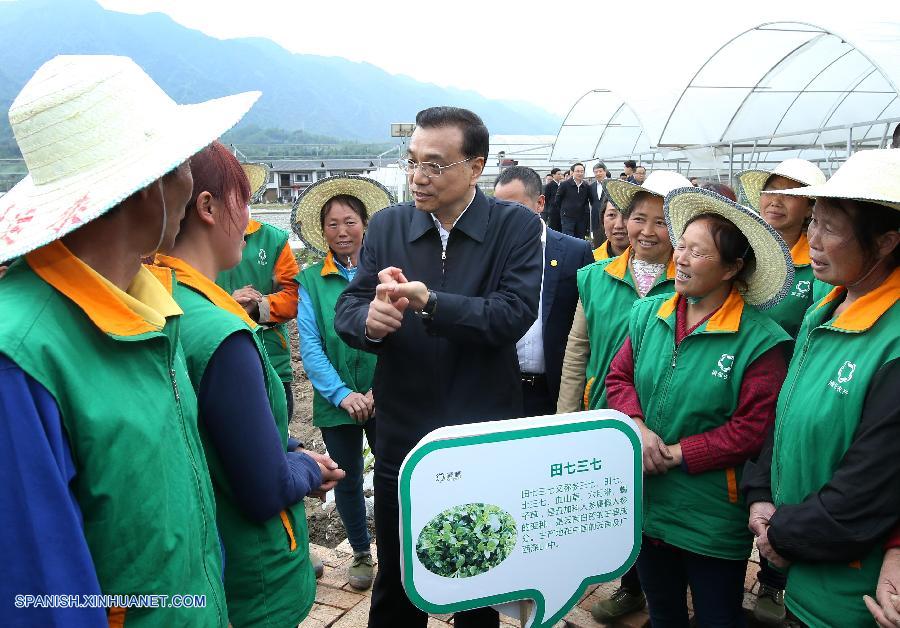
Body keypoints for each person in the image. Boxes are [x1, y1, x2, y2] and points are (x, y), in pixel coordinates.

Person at [0, 55, 258, 627]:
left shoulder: (147, 308)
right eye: (183, 166)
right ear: (152, 188)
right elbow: (41, 596)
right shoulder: (21, 356)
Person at [334, 106, 542, 628]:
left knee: (478, 574)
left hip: (481, 432)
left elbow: (511, 316)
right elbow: (349, 307)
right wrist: (372, 320)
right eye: (412, 163)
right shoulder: (388, 224)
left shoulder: (514, 226)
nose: (418, 177)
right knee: (399, 578)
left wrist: (430, 303)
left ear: (475, 167)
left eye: (434, 165)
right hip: (402, 429)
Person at [155, 141, 344, 627]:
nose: (250, 215)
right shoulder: (222, 331)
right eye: (243, 198)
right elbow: (264, 489)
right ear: (207, 206)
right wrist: (302, 465)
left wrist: (280, 443)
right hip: (253, 575)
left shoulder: (158, 298)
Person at [609, 186, 792, 627]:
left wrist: (674, 454)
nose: (684, 259)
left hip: (710, 510)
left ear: (733, 267)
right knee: (664, 610)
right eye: (683, 247)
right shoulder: (649, 314)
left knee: (716, 615)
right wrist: (636, 424)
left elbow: (751, 429)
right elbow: (619, 378)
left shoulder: (761, 341)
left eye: (699, 252)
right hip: (647, 501)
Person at [742, 149, 900, 628]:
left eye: (830, 228)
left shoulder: (892, 344)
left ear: (887, 240)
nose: (811, 239)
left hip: (852, 598)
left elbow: (868, 487)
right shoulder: (823, 311)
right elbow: (784, 415)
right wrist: (761, 493)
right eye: (814, 221)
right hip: (803, 575)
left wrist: (780, 536)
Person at [556, 170, 689, 623]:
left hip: (666, 420)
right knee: (614, 500)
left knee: (657, 506)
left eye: (662, 221)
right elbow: (578, 347)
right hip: (605, 413)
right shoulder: (595, 276)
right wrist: (566, 414)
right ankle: (626, 582)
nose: (647, 231)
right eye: (639, 218)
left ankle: (656, 589)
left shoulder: (691, 279)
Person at [294, 175, 395, 591]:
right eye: (332, 224)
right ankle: (360, 551)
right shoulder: (310, 282)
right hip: (335, 401)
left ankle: (397, 552)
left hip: (385, 394)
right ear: (323, 231)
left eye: (350, 221)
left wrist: (376, 390)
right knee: (348, 477)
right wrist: (342, 394)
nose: (342, 231)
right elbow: (311, 345)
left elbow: (402, 334)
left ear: (365, 225)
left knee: (392, 471)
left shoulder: (385, 275)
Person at [493, 165, 593, 416]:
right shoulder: (488, 255)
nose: (505, 218)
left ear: (540, 203)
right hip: (500, 390)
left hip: (554, 392)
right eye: (498, 209)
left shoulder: (575, 252)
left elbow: (587, 325)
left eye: (515, 208)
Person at [215, 165, 299, 419]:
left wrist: (257, 306)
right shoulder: (196, 240)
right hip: (216, 354)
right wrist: (228, 304)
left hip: (272, 358)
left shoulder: (271, 239)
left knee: (278, 432)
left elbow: (294, 296)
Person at [737, 159, 826, 342]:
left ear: (810, 209)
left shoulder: (818, 264)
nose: (776, 201)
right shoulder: (739, 250)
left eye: (790, 194)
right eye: (770, 191)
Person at [551, 162, 591, 239]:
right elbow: (557, 200)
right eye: (577, 171)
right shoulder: (565, 185)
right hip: (567, 218)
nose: (580, 173)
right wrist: (565, 211)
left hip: (581, 219)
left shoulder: (586, 186)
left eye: (582, 171)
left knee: (580, 239)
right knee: (568, 239)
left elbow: (587, 201)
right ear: (572, 172)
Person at [589, 162, 609, 247]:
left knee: (608, 238)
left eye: (600, 171)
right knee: (597, 240)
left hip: (608, 216)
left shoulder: (611, 184)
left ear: (605, 171)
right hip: (596, 218)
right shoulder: (592, 186)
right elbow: (592, 201)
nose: (598, 174)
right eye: (596, 172)